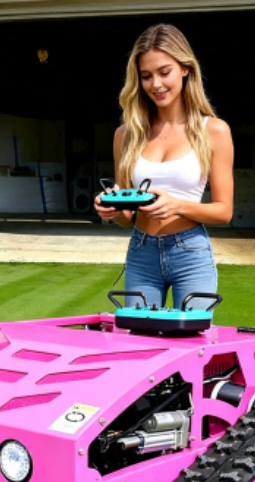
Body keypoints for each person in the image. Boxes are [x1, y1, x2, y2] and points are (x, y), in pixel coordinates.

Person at [94, 24, 234, 310]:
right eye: (146, 76)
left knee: (192, 335)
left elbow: (224, 211)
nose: (155, 84)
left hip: (191, 253)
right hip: (141, 252)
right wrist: (112, 210)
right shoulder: (126, 135)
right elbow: (127, 216)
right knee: (137, 334)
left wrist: (176, 205)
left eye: (164, 72)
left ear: (185, 68)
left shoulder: (214, 131)